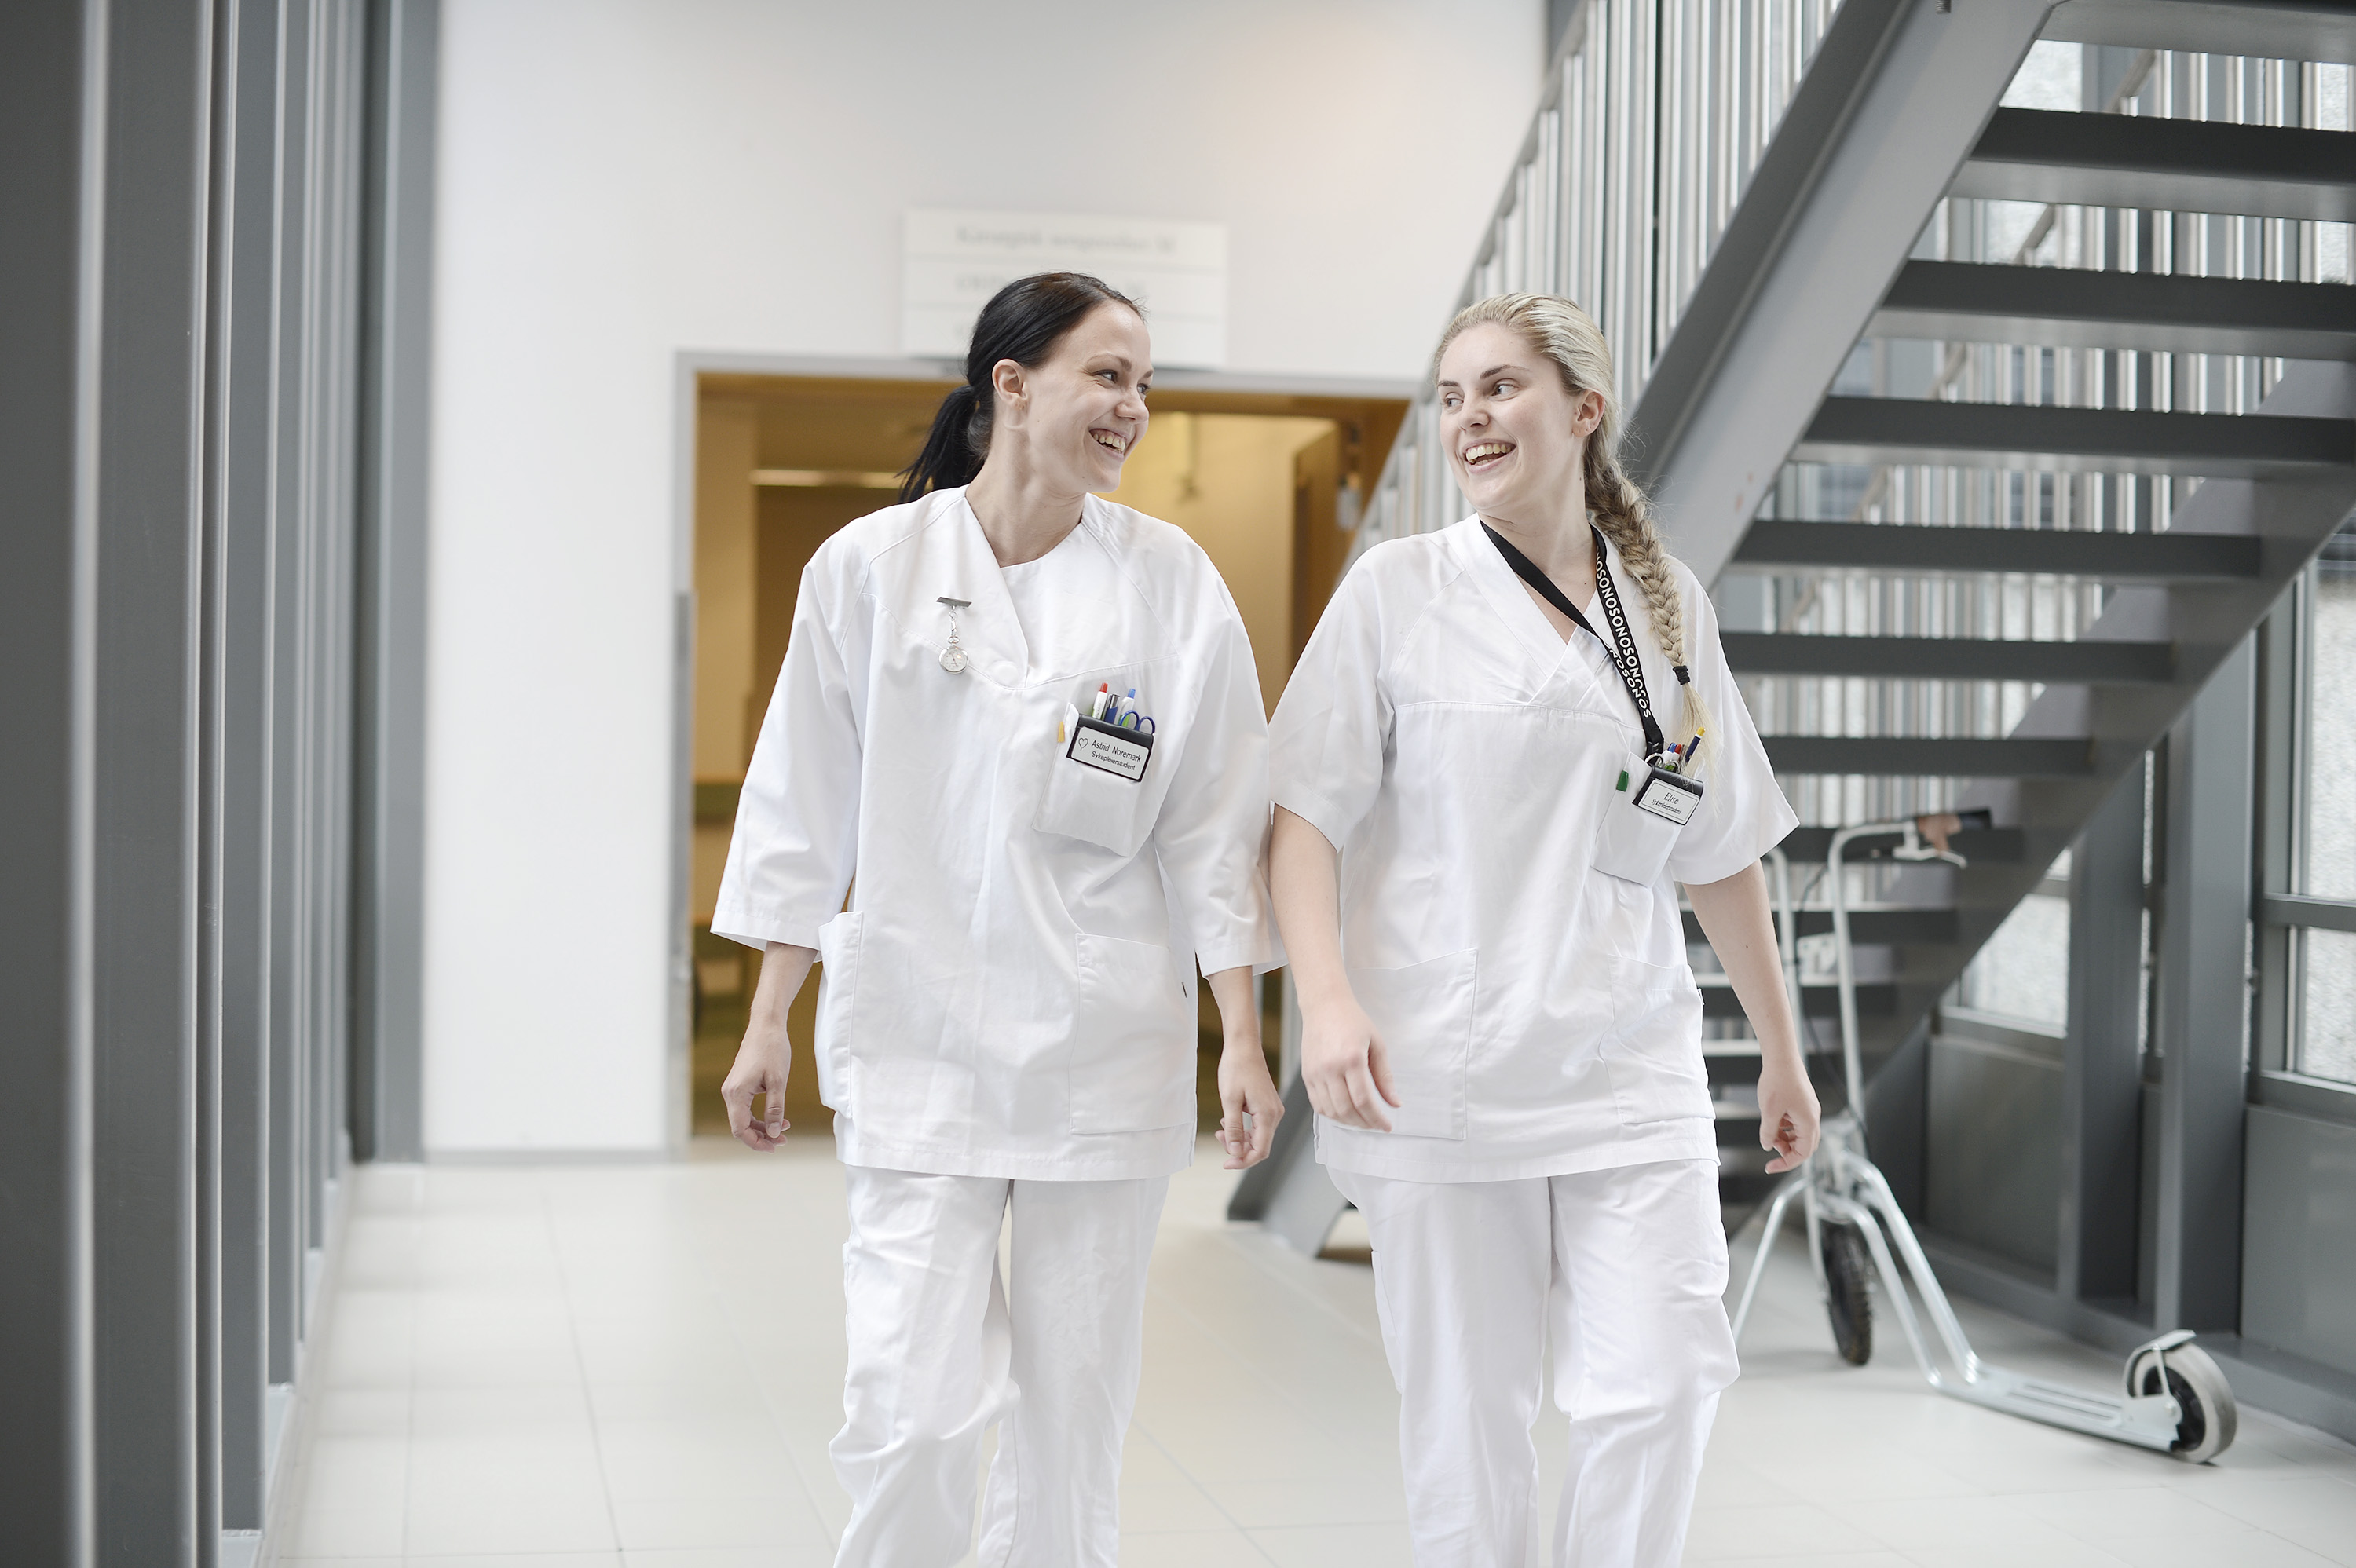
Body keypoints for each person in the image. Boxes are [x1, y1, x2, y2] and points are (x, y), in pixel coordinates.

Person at [711, 272, 1284, 1567]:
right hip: (918, 1044)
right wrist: (767, 1018)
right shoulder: (871, 568)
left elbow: (1215, 822)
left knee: (1071, 1426)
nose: (1134, 407)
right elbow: (804, 802)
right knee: (909, 1413)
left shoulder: (1170, 582)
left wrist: (1243, 1038)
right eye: (1108, 375)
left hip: (1102, 1049)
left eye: (1146, 383)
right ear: (1011, 386)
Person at [1266, 292, 1818, 1567]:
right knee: (1470, 1424)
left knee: (1666, 1380)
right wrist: (1327, 1000)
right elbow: (1301, 818)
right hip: (1442, 1070)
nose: (1470, 417)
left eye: (1501, 387)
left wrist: (1781, 1053)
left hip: (1631, 1063)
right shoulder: (1399, 589)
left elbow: (1719, 845)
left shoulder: (1664, 604)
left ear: (1583, 410)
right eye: (1452, 396)